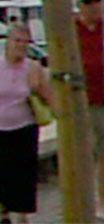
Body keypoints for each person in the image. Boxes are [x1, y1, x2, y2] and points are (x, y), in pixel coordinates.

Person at [2, 22, 53, 224]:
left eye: (25, 42)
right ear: (8, 42)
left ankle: (21, 216)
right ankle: (3, 213)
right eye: (17, 41)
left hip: (24, 126)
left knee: (22, 174)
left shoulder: (33, 67)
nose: (21, 45)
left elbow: (48, 96)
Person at [74, 0, 104, 208]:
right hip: (81, 101)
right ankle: (83, 201)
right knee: (83, 153)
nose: (94, 6)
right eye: (89, 2)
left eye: (97, 1)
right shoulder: (71, 30)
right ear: (81, 6)